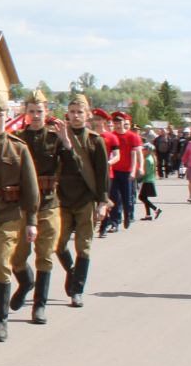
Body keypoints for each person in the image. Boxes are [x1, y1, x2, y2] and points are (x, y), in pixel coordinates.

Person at [0, 95, 40, 340]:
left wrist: (31, 220)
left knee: (2, 265)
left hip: (10, 215)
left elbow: (30, 186)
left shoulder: (18, 147)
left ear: (7, 117)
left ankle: (2, 322)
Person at [13, 90, 67, 324]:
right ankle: (26, 281)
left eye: (40, 111)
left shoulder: (54, 139)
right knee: (16, 257)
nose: (35, 116)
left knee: (44, 256)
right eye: (31, 111)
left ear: (47, 113)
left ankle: (39, 306)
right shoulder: (16, 138)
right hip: (23, 204)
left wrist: (66, 141)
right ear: (25, 113)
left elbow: (71, 165)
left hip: (48, 202)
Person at [56, 94, 112, 307]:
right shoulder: (59, 137)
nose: (76, 116)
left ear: (87, 115)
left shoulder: (95, 140)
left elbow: (102, 174)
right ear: (67, 115)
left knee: (84, 246)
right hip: (63, 199)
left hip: (86, 200)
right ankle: (72, 270)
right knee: (58, 243)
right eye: (72, 112)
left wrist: (103, 202)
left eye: (80, 112)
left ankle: (77, 290)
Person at [106, 111, 143, 231]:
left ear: (124, 122)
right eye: (115, 122)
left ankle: (127, 216)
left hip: (127, 171)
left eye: (120, 122)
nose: (117, 124)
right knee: (115, 196)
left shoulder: (132, 136)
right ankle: (115, 222)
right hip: (114, 170)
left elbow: (137, 154)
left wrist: (138, 168)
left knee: (127, 196)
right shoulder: (112, 136)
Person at [138, 142, 162, 219]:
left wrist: (139, 178)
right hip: (149, 180)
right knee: (144, 198)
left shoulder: (147, 159)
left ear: (148, 150)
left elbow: (146, 172)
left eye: (144, 149)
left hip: (147, 181)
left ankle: (156, 209)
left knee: (141, 197)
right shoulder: (150, 158)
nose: (142, 150)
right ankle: (148, 215)